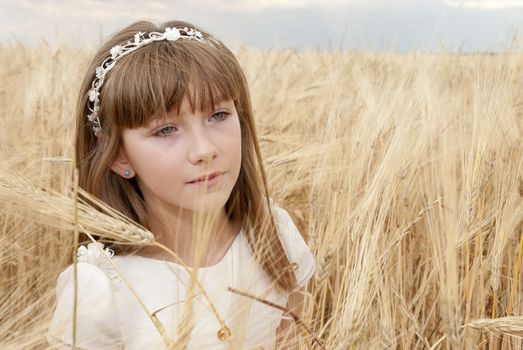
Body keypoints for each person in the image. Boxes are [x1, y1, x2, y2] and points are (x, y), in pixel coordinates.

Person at [47, 20, 316, 349]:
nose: (205, 150)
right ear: (119, 156)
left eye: (218, 115)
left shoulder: (273, 232)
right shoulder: (100, 290)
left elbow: (295, 338)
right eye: (165, 130)